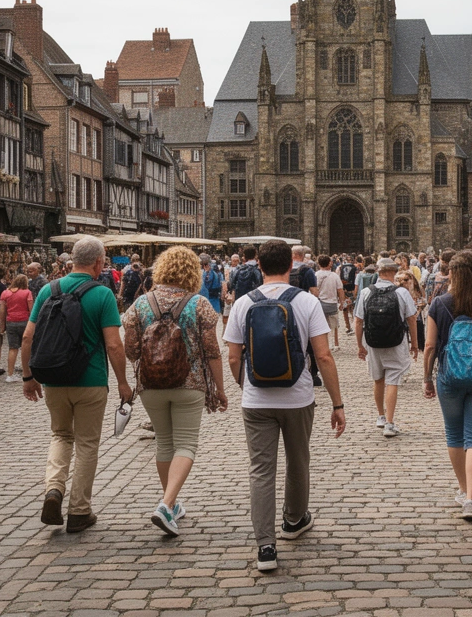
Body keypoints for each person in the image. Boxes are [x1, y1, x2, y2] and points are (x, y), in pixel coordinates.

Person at [224, 239, 345, 572]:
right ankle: (293, 521)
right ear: (292, 266)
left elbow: (233, 356)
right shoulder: (306, 301)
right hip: (298, 397)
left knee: (261, 471)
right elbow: (323, 355)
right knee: (298, 461)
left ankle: (265, 546)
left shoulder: (242, 303)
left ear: (258, 266)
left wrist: (246, 383)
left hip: (256, 399)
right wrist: (337, 403)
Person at [21, 237, 132, 534]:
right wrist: (123, 382)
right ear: (98, 262)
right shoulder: (102, 294)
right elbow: (114, 345)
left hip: (53, 378)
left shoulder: (48, 289)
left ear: (72, 261)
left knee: (60, 435)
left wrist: (28, 377)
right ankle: (79, 511)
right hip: (91, 380)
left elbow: (27, 338)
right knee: (86, 443)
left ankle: (54, 490)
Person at [122, 246, 227, 537]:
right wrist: (219, 389)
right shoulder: (199, 304)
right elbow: (212, 352)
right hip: (189, 384)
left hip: (151, 385)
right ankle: (167, 505)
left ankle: (172, 502)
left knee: (164, 444)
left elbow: (131, 349)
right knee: (186, 445)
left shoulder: (142, 304)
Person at [422, 250, 472, 520]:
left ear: (451, 274)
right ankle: (471, 498)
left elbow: (430, 345)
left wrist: (427, 378)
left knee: (455, 435)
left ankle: (463, 489)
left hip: (449, 376)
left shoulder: (439, 303)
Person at [355, 257, 419, 437]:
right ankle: (390, 424)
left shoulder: (367, 292)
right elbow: (412, 319)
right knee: (393, 379)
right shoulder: (401, 293)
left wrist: (360, 345)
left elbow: (358, 321)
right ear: (394, 273)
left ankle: (381, 416)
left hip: (373, 342)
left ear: (379, 272)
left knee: (378, 379)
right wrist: (414, 344)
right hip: (396, 342)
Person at [0, 274, 35, 383]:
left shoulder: (5, 293)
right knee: (28, 347)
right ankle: (28, 372)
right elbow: (31, 309)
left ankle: (10, 374)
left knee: (13, 348)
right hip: (25, 322)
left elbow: (2, 311)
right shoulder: (27, 293)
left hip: (11, 322)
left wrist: (2, 325)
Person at [314, 256, 345, 349]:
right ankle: (335, 344)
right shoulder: (334, 276)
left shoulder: (315, 275)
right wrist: (342, 303)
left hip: (319, 303)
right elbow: (340, 290)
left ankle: (324, 345)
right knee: (334, 326)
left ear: (319, 264)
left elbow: (313, 290)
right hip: (331, 303)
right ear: (330, 263)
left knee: (320, 326)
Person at [337, 256, 360, 334]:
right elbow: (357, 279)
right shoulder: (355, 268)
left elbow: (338, 279)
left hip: (344, 291)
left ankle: (348, 327)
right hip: (352, 290)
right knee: (353, 308)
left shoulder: (340, 267)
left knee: (345, 308)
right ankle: (354, 325)